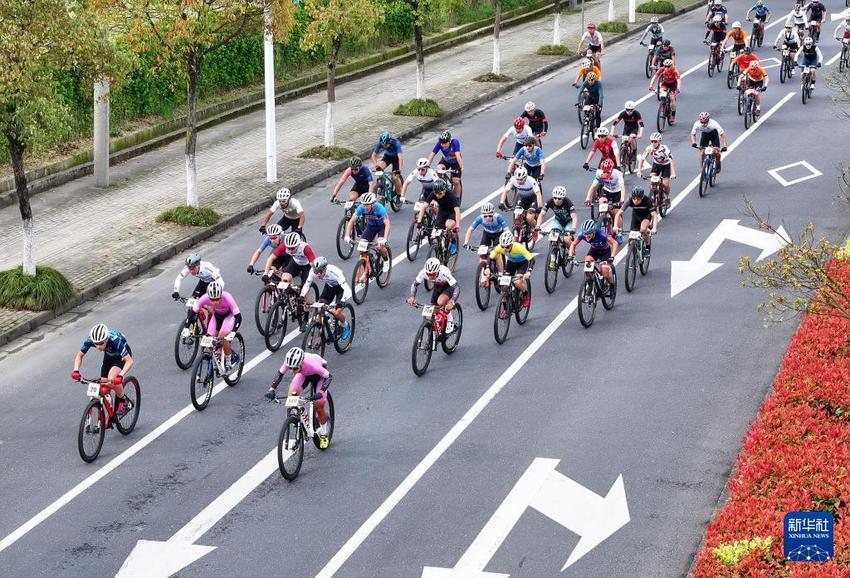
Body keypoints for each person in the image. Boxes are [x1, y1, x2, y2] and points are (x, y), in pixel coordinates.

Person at [265, 347, 332, 447]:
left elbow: (329, 376)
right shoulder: (290, 362)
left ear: (301, 363)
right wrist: (271, 389)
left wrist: (321, 392)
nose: (292, 371)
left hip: (319, 376)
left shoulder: (312, 365)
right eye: (290, 368)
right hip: (304, 374)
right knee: (291, 398)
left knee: (319, 404)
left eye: (295, 368)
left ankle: (323, 433)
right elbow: (280, 374)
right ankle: (303, 420)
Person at [72, 323, 134, 416]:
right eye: (95, 344)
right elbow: (79, 355)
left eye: (101, 344)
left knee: (112, 377)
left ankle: (124, 401)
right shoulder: (91, 340)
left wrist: (120, 375)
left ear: (106, 339)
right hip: (109, 355)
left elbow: (129, 361)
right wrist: (76, 370)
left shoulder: (115, 341)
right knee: (104, 385)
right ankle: (111, 413)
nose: (98, 347)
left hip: (121, 356)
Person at [190, 282, 242, 368]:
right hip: (216, 316)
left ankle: (229, 361)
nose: (215, 302)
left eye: (217, 299)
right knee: (209, 338)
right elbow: (193, 312)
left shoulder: (227, 297)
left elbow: (238, 317)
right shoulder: (204, 298)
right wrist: (186, 328)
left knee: (222, 336)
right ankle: (219, 352)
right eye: (212, 300)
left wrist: (233, 332)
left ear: (221, 295)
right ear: (208, 297)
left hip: (228, 316)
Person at [303, 257, 353, 340]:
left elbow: (347, 290)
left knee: (336, 313)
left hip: (341, 289)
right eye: (316, 272)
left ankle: (345, 325)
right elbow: (307, 284)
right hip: (329, 287)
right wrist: (302, 296)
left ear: (325, 269)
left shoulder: (334, 271)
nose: (318, 274)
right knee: (320, 308)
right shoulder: (312, 271)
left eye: (320, 272)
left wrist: (342, 301)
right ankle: (328, 322)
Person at [406, 258, 460, 331]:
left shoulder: (444, 272)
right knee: (431, 310)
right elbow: (414, 284)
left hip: (448, 287)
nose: (430, 277)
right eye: (428, 274)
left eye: (433, 274)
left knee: (441, 302)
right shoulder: (423, 272)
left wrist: (452, 302)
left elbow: (456, 287)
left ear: (437, 271)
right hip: (437, 287)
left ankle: (450, 319)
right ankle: (436, 331)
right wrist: (412, 296)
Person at [345, 192, 391, 268]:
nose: (365, 207)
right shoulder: (361, 208)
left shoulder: (380, 208)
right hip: (371, 227)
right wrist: (347, 235)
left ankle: (386, 260)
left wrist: (385, 239)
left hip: (381, 227)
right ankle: (366, 271)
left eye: (367, 204)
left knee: (380, 247)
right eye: (363, 204)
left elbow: (387, 223)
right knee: (361, 249)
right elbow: (351, 221)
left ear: (373, 204)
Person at [416, 179, 461, 256]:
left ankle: (453, 243)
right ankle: (440, 251)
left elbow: (457, 210)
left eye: (440, 193)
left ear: (444, 190)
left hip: (451, 212)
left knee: (448, 226)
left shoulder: (450, 194)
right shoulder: (434, 193)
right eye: (436, 193)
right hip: (442, 212)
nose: (438, 195)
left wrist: (457, 225)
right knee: (434, 236)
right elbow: (424, 207)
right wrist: (419, 221)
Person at [489, 231, 535, 308]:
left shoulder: (518, 247)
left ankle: (525, 294)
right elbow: (490, 258)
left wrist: (529, 271)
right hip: (511, 263)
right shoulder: (500, 248)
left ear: (511, 244)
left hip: (522, 263)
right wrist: (487, 268)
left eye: (507, 246)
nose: (505, 249)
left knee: (517, 282)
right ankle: (505, 309)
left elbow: (532, 260)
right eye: (503, 246)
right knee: (503, 286)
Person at [568, 219, 619, 286]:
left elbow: (615, 243)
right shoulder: (582, 235)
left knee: (605, 273)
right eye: (585, 233)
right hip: (594, 250)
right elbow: (573, 244)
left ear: (593, 232)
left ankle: (612, 284)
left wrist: (612, 256)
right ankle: (591, 284)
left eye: (589, 233)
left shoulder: (601, 234)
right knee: (587, 263)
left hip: (605, 252)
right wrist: (570, 255)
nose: (586, 236)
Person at [499, 166, 544, 243]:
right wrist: (502, 202)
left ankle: (534, 230)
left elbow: (538, 193)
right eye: (517, 179)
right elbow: (505, 191)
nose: (519, 181)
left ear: (525, 177)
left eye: (521, 179)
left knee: (529, 218)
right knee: (516, 215)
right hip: (521, 198)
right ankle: (518, 231)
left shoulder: (531, 180)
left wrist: (539, 206)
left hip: (532, 199)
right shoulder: (513, 179)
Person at [614, 187, 658, 253]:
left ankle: (647, 247)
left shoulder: (647, 201)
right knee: (632, 235)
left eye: (638, 199)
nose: (636, 201)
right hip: (636, 216)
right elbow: (618, 214)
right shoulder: (629, 200)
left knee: (643, 230)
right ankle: (631, 251)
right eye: (634, 198)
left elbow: (654, 215)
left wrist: (654, 228)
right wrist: (615, 226)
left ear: (642, 198)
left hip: (646, 215)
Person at [637, 132, 676, 202]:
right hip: (656, 165)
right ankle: (655, 194)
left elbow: (671, 161)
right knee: (652, 181)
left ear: (659, 141)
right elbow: (642, 159)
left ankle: (666, 196)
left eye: (655, 141)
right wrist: (639, 170)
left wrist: (673, 173)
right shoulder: (649, 148)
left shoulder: (664, 149)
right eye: (651, 141)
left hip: (666, 165)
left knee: (665, 184)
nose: (653, 143)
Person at [426, 130, 464, 200]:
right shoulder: (439, 144)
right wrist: (426, 166)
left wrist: (461, 166)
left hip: (456, 162)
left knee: (456, 181)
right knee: (439, 169)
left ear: (449, 141)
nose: (443, 145)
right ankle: (446, 183)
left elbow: (457, 155)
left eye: (445, 143)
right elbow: (432, 154)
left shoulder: (455, 142)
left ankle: (457, 198)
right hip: (446, 161)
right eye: (442, 143)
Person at [649, 59, 680, 124]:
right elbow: (655, 77)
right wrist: (651, 85)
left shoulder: (675, 70)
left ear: (671, 66)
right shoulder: (662, 69)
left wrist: (678, 88)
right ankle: (663, 105)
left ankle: (672, 115)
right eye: (665, 66)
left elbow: (678, 80)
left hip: (673, 85)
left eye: (668, 66)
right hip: (665, 83)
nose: (666, 68)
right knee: (661, 94)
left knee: (672, 98)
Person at [371, 131, 403, 195]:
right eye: (383, 145)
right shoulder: (381, 143)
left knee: (395, 177)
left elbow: (400, 157)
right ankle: (381, 183)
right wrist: (376, 165)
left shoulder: (396, 143)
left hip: (396, 158)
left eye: (386, 145)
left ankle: (399, 194)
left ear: (390, 141)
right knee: (379, 168)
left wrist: (399, 169)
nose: (384, 146)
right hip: (387, 157)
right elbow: (373, 155)